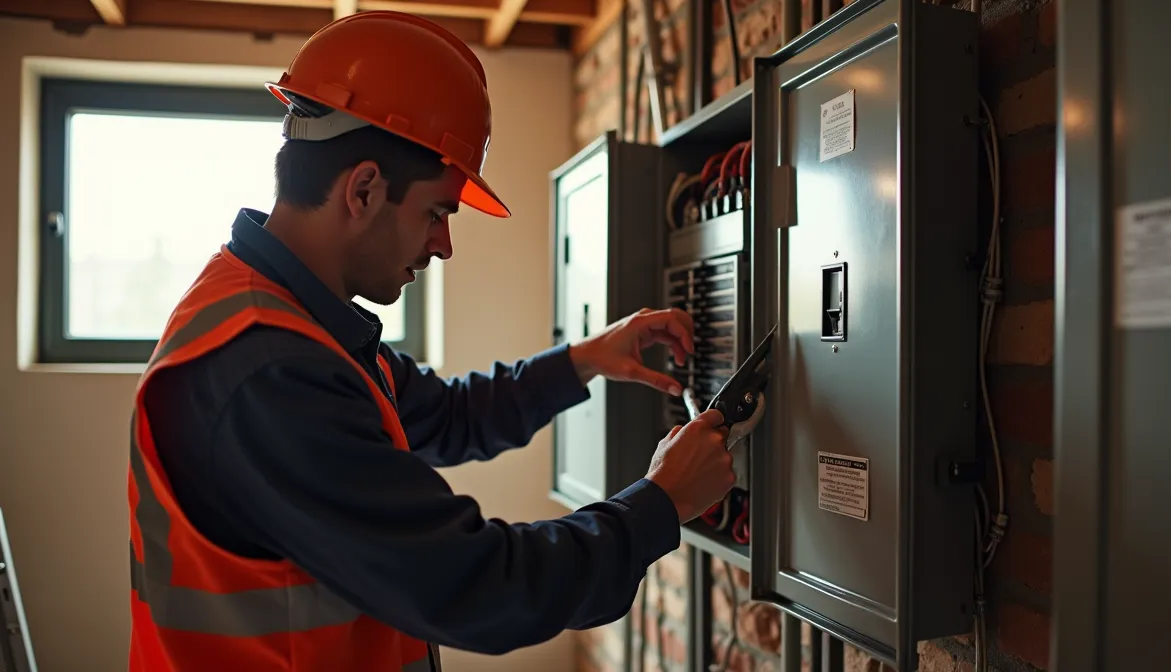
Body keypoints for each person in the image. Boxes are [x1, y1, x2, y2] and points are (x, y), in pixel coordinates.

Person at [125, 10, 735, 672]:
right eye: (438, 212)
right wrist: (662, 502)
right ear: (363, 189)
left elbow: (444, 415)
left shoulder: (287, 319)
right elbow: (475, 586)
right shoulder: (267, 368)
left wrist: (585, 359)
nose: (443, 245)